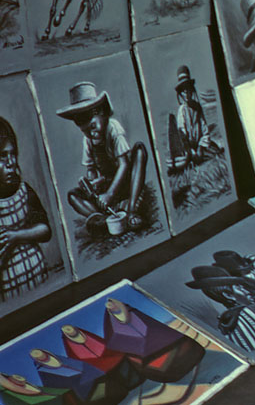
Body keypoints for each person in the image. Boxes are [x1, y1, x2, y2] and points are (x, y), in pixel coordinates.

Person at [56, 82, 147, 236]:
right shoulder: (88, 141)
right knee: (72, 195)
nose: (92, 134)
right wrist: (94, 184)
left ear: (102, 114)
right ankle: (103, 219)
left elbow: (124, 165)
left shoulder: (113, 128)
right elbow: (91, 169)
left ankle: (131, 211)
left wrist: (110, 194)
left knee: (139, 150)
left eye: (93, 126)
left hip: (125, 181)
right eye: (85, 131)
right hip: (107, 184)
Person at [0, 117, 51, 302]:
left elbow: (45, 231)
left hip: (39, 274)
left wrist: (16, 236)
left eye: (12, 154)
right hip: (10, 291)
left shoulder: (24, 190)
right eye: (2, 156)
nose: (11, 162)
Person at [171, 65, 222, 171]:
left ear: (191, 90)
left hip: (199, 146)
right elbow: (182, 136)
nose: (186, 92)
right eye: (183, 90)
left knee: (216, 151)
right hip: (189, 149)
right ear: (181, 93)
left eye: (188, 88)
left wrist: (200, 147)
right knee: (185, 162)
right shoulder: (182, 111)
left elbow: (204, 130)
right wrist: (192, 151)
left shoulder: (197, 107)